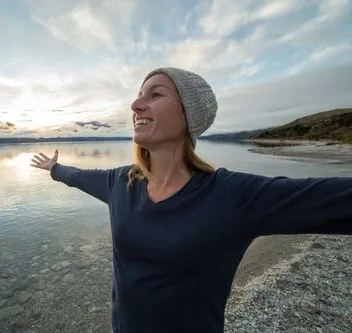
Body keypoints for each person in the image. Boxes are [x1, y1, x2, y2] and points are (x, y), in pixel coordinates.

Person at [30, 67, 352, 333]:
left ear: (188, 115)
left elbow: (330, 200)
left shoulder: (230, 196)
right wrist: (55, 168)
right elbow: (79, 177)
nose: (136, 105)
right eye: (140, 96)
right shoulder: (121, 183)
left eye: (155, 94)